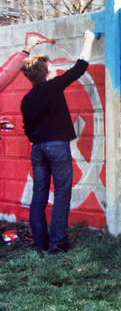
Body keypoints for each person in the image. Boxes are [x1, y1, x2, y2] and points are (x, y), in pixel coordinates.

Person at [19, 30, 95, 253]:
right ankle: (58, 243)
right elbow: (80, 68)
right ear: (44, 73)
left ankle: (41, 244)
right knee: (62, 193)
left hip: (38, 150)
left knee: (39, 196)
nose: (54, 68)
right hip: (57, 148)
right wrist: (88, 39)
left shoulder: (26, 99)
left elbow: (27, 128)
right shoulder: (52, 87)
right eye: (51, 67)